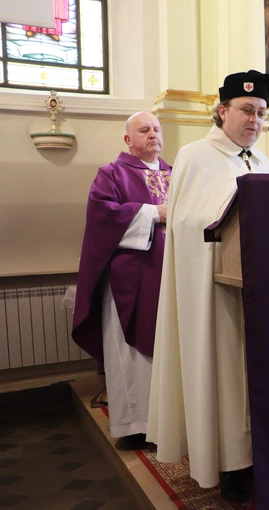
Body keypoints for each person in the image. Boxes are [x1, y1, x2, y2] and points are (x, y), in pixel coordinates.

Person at [146, 70, 269, 502]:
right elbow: (185, 222)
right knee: (223, 374)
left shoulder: (268, 164)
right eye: (246, 111)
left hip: (262, 293)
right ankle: (230, 464)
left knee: (262, 374)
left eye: (261, 113)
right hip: (217, 290)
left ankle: (264, 453)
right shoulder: (194, 155)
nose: (255, 121)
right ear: (222, 111)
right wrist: (224, 212)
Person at [72, 112, 171, 446]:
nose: (153, 135)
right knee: (133, 357)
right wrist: (154, 214)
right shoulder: (111, 174)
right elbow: (102, 218)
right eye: (144, 130)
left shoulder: (178, 174)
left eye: (157, 129)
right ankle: (136, 426)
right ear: (128, 140)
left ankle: (172, 420)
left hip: (174, 277)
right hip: (131, 279)